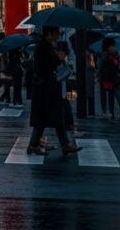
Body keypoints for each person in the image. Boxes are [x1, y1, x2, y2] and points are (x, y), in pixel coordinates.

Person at [26, 27, 81, 157]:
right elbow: (45, 67)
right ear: (49, 34)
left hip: (48, 89)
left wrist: (59, 57)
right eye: (56, 32)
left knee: (54, 118)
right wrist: (58, 58)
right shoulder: (43, 48)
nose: (58, 34)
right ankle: (36, 145)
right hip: (45, 90)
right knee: (47, 119)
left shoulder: (47, 46)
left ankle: (63, 144)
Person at [97, 38, 120, 120]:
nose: (113, 47)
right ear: (107, 47)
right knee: (111, 96)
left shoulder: (116, 54)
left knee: (119, 97)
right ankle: (112, 113)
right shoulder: (104, 56)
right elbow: (100, 67)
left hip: (116, 79)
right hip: (109, 78)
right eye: (111, 46)